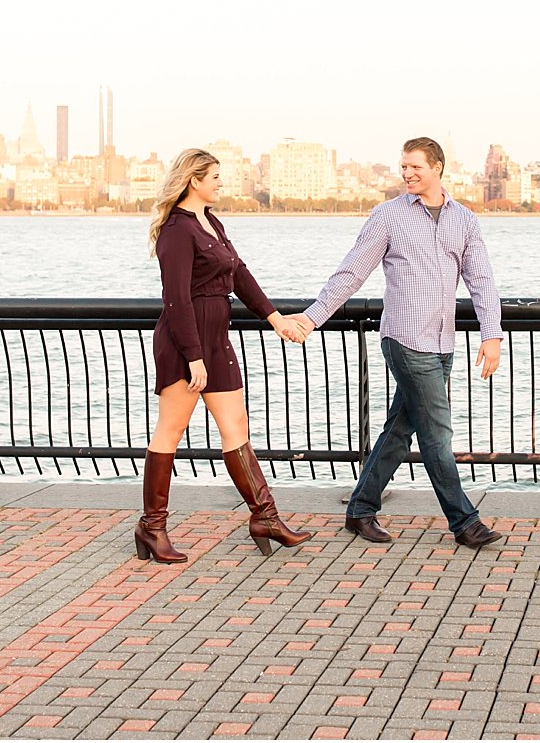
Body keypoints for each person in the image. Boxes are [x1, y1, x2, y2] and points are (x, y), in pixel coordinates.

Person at [289, 136, 504, 549]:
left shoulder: (465, 219)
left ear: (438, 167)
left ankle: (360, 508)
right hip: (405, 340)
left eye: (415, 167)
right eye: (403, 166)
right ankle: (465, 522)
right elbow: (352, 272)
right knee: (437, 434)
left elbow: (481, 281)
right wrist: (313, 317)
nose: (406, 173)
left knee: (399, 431)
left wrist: (491, 335)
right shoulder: (387, 216)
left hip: (443, 344)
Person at [139, 148, 313, 564]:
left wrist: (274, 318)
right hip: (187, 343)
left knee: (236, 425)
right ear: (193, 179)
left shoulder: (210, 222)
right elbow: (176, 300)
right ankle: (152, 527)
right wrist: (193, 356)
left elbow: (239, 274)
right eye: (215, 176)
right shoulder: (177, 231)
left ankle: (265, 518)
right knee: (170, 431)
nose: (221, 182)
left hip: (216, 339)